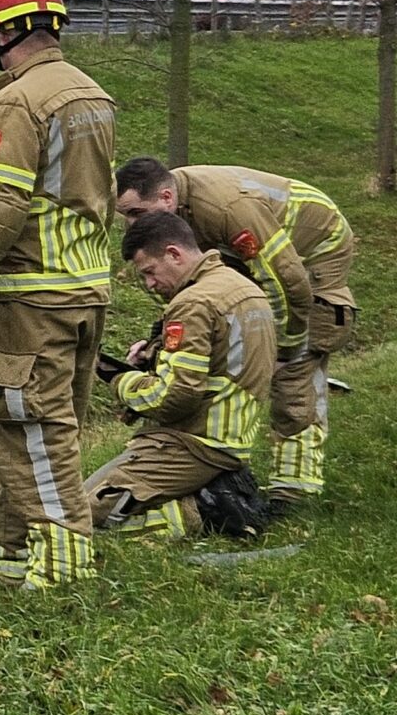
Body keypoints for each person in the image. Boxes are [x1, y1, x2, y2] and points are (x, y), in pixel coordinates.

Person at [0, 0, 118, 589]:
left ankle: (64, 569)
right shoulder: (89, 93)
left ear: (3, 32)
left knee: (30, 429)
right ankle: (13, 557)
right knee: (37, 426)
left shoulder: (19, 102)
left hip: (30, 294)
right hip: (83, 290)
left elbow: (0, 205)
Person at [112, 157, 355, 507]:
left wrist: (283, 351)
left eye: (136, 212)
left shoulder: (226, 209)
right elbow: (195, 291)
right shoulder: (175, 215)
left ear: (167, 197)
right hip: (254, 255)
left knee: (297, 367)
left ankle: (296, 490)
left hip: (315, 249)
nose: (132, 223)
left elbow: (287, 281)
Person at [86, 212, 276, 540]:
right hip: (229, 436)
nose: (149, 284)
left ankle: (208, 510)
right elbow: (219, 364)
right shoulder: (243, 287)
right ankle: (219, 489)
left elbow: (175, 397)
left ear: (174, 254)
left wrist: (118, 380)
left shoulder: (194, 302)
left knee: (83, 511)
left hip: (193, 443)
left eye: (149, 272)